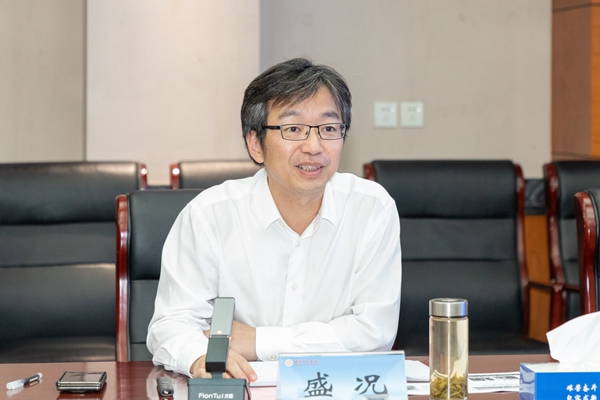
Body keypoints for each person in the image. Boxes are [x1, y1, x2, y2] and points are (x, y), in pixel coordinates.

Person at [147, 58, 402, 382]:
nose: (314, 147)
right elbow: (172, 324)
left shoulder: (372, 209)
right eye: (293, 129)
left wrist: (259, 341)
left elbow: (374, 331)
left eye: (328, 129)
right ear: (256, 144)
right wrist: (199, 357)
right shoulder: (208, 216)